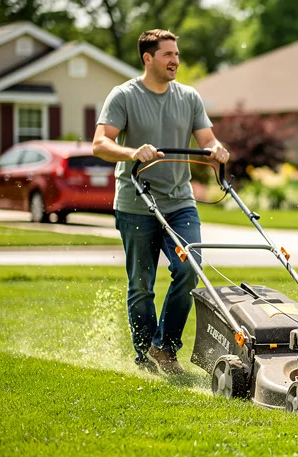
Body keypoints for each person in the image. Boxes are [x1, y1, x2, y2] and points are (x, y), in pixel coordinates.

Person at [93, 29, 229, 375]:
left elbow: (208, 140)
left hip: (180, 201)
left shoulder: (188, 97)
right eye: (168, 54)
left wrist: (217, 151)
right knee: (141, 285)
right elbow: (100, 144)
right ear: (148, 58)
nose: (176, 61)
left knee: (188, 268)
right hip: (136, 201)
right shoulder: (123, 96)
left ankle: (164, 348)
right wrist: (131, 151)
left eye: (178, 54)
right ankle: (144, 357)